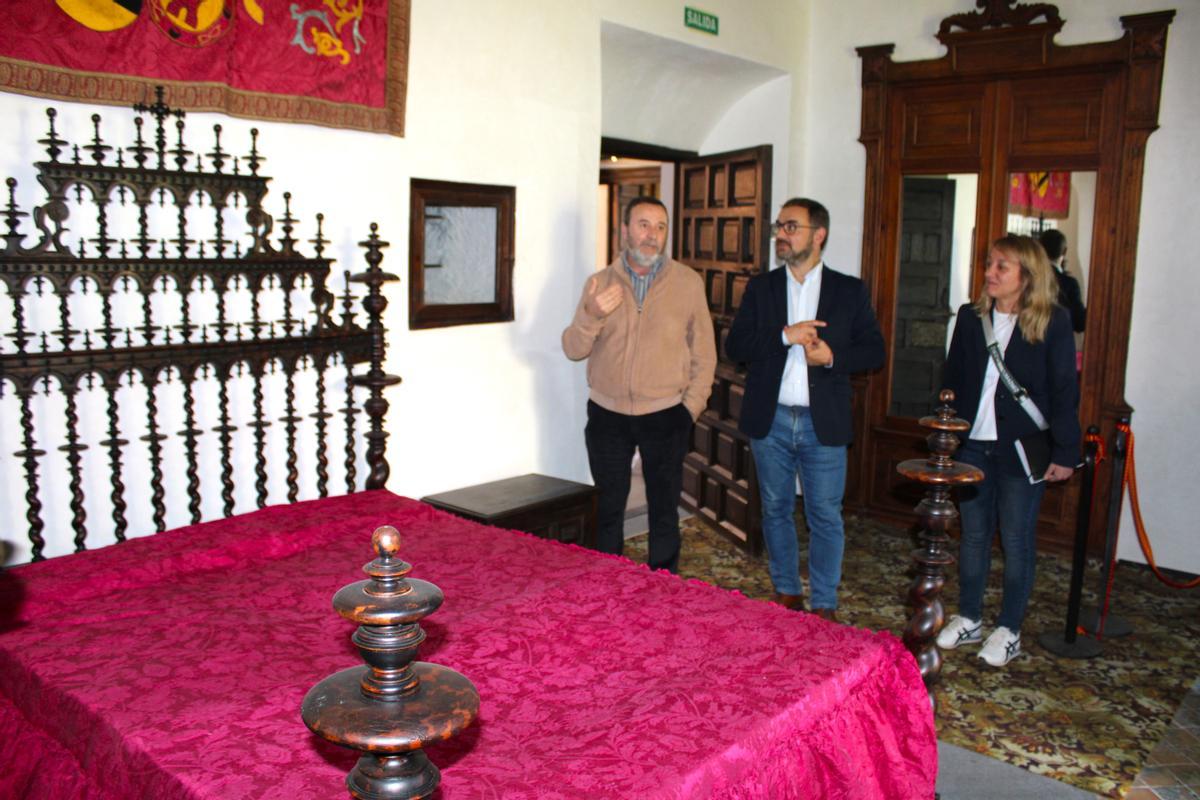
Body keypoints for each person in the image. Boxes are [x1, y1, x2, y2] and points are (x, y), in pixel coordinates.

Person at [725, 198, 884, 621]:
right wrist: (783, 336)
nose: (780, 233)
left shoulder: (849, 291)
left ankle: (825, 603)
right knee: (775, 508)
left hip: (822, 422)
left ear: (819, 234)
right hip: (771, 417)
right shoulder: (762, 288)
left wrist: (832, 356)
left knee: (824, 516)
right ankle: (788, 592)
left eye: (791, 226)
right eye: (779, 225)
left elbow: (874, 350)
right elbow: (736, 346)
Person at [936, 235, 1081, 667]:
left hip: (1022, 447)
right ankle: (970, 616)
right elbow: (953, 378)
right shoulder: (970, 317)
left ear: (1027, 276)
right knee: (974, 535)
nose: (990, 272)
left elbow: (1063, 390)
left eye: (1002, 266)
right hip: (973, 445)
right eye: (989, 263)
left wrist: (1065, 451)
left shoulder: (1053, 322)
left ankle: (1010, 628)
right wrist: (946, 434)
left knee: (1016, 539)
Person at [562, 196, 716, 573]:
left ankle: (662, 586)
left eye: (660, 227)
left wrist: (689, 409)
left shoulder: (687, 283)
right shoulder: (599, 283)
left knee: (664, 510)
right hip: (607, 414)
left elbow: (705, 354)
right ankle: (608, 582)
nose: (653, 235)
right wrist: (592, 314)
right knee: (609, 507)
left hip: (666, 414)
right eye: (644, 225)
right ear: (626, 230)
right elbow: (573, 348)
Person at [1037, 229, 1086, 333]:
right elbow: (1079, 323)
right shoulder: (1069, 284)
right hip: (1059, 340)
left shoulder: (1030, 277)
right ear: (1064, 251)